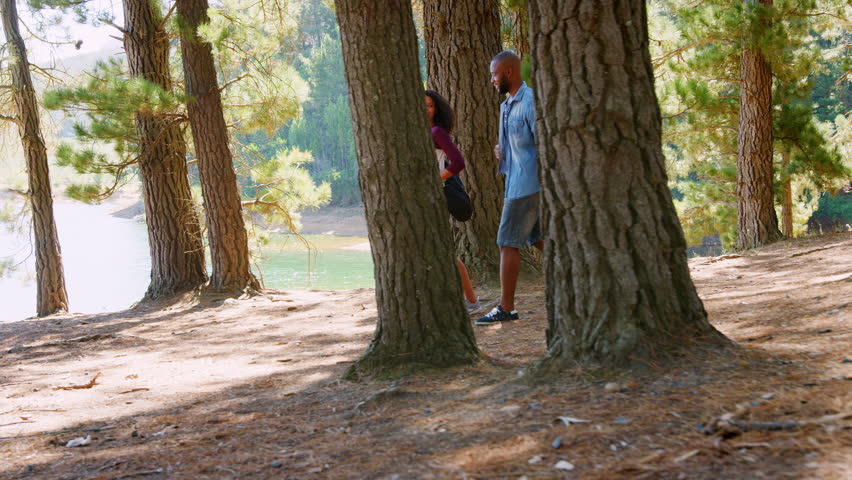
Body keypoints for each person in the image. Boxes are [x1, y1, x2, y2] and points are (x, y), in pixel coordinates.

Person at [476, 51, 543, 326]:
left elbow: (543, 144)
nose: (492, 80)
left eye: (494, 74)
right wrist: (502, 151)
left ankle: (506, 307)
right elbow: (517, 144)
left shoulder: (530, 102)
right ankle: (584, 283)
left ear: (509, 73)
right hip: (514, 180)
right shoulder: (506, 106)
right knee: (539, 239)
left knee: (507, 242)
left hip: (527, 184)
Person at [425, 90, 481, 314]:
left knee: (445, 250)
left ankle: (471, 301)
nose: (425, 109)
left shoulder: (437, 132)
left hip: (436, 197)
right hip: (425, 197)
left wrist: (436, 179)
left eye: (429, 105)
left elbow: (457, 162)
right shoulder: (421, 131)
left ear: (436, 110)